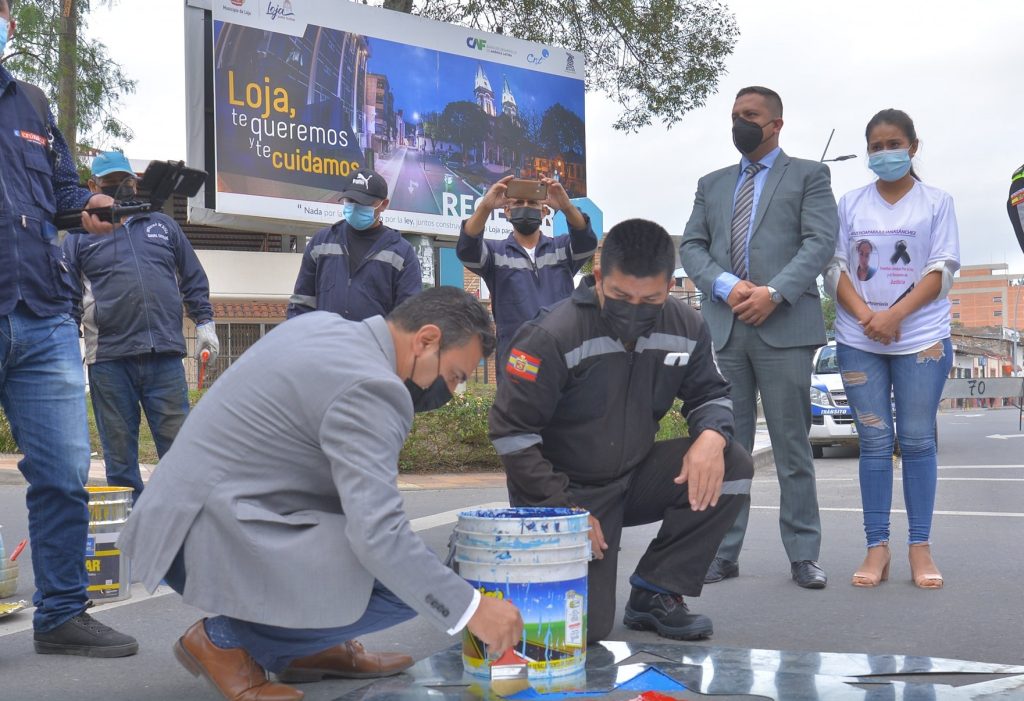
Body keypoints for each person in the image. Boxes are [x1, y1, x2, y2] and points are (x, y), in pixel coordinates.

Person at [119, 287, 523, 701]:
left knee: (394, 562)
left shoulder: (323, 327)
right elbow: (380, 536)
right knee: (405, 583)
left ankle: (310, 649)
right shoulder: (374, 387)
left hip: (180, 519)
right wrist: (472, 608)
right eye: (455, 375)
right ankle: (224, 641)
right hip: (206, 536)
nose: (452, 391)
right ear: (426, 340)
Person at [489, 219, 754, 643]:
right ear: (597, 277)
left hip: (631, 476)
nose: (634, 309)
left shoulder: (686, 327)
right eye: (620, 296)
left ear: (670, 285)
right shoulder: (551, 335)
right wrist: (561, 507)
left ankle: (656, 591)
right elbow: (511, 432)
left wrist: (712, 436)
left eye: (649, 298)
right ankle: (480, 568)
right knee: (583, 630)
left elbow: (711, 394)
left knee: (733, 464)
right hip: (564, 491)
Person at [0, 0, 137, 656]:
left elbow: (60, 193)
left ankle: (60, 613)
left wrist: (94, 204)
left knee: (61, 472)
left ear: (10, 21)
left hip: (43, 314)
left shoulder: (31, 103)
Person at [679, 85, 838, 589]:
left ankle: (803, 554)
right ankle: (722, 552)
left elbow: (820, 242)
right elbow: (692, 246)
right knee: (728, 447)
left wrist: (774, 292)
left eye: (750, 115)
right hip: (727, 327)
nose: (739, 124)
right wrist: (726, 286)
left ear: (776, 124)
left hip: (785, 327)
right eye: (734, 116)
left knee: (793, 447)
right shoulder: (712, 183)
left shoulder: (810, 175)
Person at [823, 109, 959, 589]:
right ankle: (875, 548)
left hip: (920, 339)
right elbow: (835, 268)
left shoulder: (937, 203)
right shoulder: (849, 204)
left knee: (919, 441)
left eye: (893, 144)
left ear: (913, 147)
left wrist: (894, 316)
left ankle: (920, 548)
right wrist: (868, 317)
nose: (884, 154)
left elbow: (942, 269)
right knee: (876, 443)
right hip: (859, 339)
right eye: (875, 147)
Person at [63, 151, 219, 502]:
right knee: (120, 462)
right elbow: (66, 295)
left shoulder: (163, 226)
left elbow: (192, 277)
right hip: (109, 361)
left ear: (135, 181)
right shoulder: (79, 236)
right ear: (93, 187)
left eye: (125, 181)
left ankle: (182, 532)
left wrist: (205, 321)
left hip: (163, 357)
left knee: (181, 455)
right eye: (111, 184)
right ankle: (132, 540)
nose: (121, 189)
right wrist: (66, 348)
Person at [457, 175, 597, 380]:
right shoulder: (495, 253)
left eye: (532, 202)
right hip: (518, 362)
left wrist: (566, 206)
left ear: (544, 211)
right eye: (518, 203)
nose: (525, 207)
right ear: (506, 211)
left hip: (563, 356)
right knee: (522, 409)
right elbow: (467, 248)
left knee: (566, 409)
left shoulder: (562, 249)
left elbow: (586, 240)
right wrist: (485, 206)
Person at [286, 168, 422, 320]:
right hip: (327, 342)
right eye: (350, 201)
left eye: (364, 202)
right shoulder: (320, 243)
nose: (355, 206)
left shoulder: (402, 253)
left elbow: (409, 316)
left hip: (375, 343)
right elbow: (301, 303)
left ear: (383, 205)